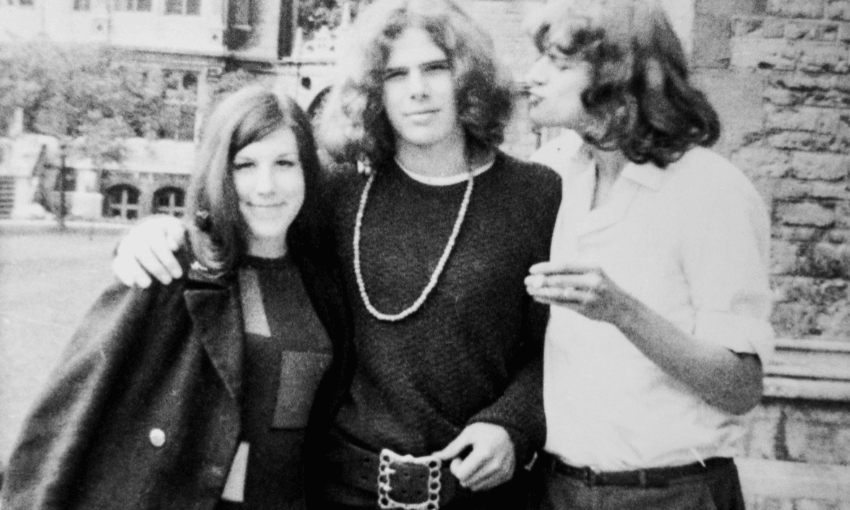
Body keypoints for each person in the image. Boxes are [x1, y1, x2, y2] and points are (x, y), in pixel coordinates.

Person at [111, 1, 562, 509]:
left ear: (467, 77)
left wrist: (514, 423)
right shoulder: (339, 190)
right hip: (342, 492)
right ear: (374, 90)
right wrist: (159, 230)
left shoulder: (535, 196)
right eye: (395, 74)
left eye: (435, 67)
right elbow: (248, 228)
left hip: (479, 494)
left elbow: (565, 345)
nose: (417, 89)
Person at [0, 86, 352, 510]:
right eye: (245, 165)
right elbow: (69, 411)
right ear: (219, 172)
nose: (266, 186)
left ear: (307, 172)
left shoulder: (324, 284)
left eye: (284, 163)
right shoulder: (171, 268)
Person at [522, 1, 773, 508]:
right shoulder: (547, 173)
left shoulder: (711, 190)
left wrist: (622, 312)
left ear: (617, 79)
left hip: (673, 493)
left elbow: (740, 386)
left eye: (559, 63)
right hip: (556, 490)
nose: (534, 76)